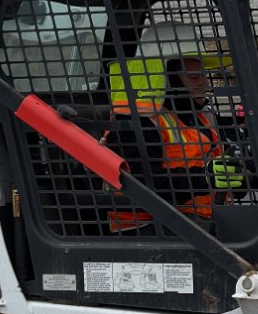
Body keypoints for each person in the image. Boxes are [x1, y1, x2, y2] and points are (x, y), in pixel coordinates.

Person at [105, 47, 248, 231]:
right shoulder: (134, 123)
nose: (203, 84)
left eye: (204, 76)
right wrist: (205, 178)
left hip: (197, 221)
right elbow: (141, 184)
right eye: (194, 78)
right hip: (147, 229)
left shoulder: (200, 116)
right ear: (169, 80)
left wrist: (246, 177)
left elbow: (219, 163)